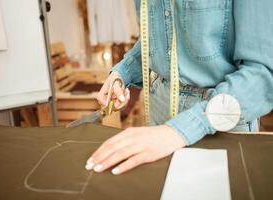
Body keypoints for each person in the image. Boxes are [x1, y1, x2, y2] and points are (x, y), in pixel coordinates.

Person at [85, 0, 273, 175]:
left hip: (219, 115)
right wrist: (123, 72)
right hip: (158, 109)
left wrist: (176, 131)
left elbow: (262, 73)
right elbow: (160, 38)